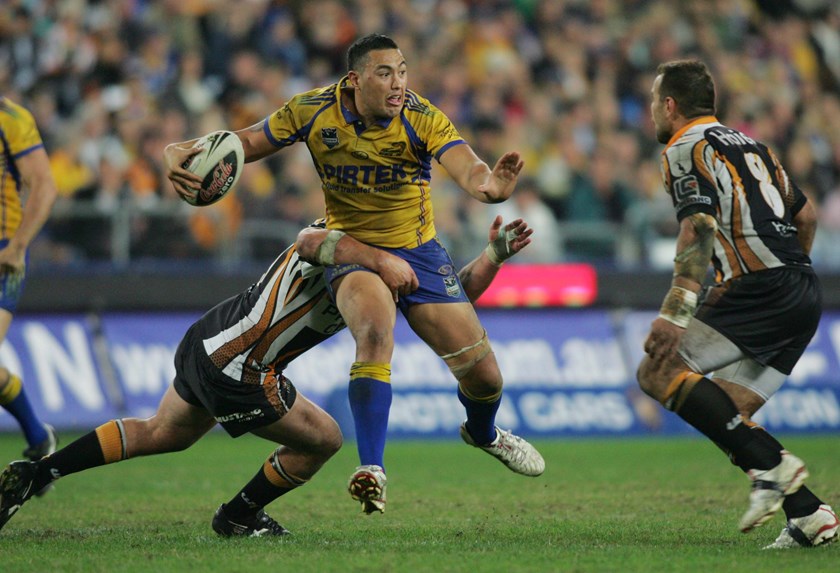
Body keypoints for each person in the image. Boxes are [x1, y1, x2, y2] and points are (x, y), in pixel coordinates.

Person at [164, 33, 545, 515]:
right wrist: (180, 150)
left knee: (486, 378)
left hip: (419, 250)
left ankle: (484, 431)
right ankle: (372, 468)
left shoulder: (421, 116)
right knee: (373, 329)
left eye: (403, 71)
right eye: (385, 73)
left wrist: (491, 186)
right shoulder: (312, 111)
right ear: (356, 79)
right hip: (353, 247)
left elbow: (470, 170)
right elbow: (243, 142)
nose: (398, 83)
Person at [0, 214, 534, 536]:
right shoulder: (345, 242)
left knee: (159, 433)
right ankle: (238, 515)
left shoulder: (385, 249)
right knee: (324, 438)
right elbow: (311, 240)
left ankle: (36, 474)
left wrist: (492, 256)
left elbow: (442, 310)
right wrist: (377, 260)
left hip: (210, 337)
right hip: (241, 367)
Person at [637, 59, 837, 549]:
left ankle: (774, 469)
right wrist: (787, 275)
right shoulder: (755, 146)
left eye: (652, 102)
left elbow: (698, 226)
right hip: (804, 289)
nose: (650, 113)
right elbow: (805, 216)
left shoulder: (684, 146)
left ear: (670, 105)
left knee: (657, 373)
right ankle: (810, 515)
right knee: (728, 415)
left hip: (760, 288)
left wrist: (675, 312)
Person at [0, 96, 59, 484]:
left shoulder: (11, 119)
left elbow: (45, 185)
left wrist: (20, 246)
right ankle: (38, 436)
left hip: (4, 255)